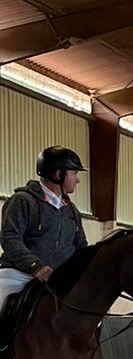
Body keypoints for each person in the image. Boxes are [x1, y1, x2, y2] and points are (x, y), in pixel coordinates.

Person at [0, 146, 88, 342]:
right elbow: (10, 238)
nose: (78, 179)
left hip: (58, 279)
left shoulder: (71, 211)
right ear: (58, 174)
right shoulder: (22, 201)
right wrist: (36, 267)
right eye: (74, 173)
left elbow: (81, 246)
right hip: (19, 274)